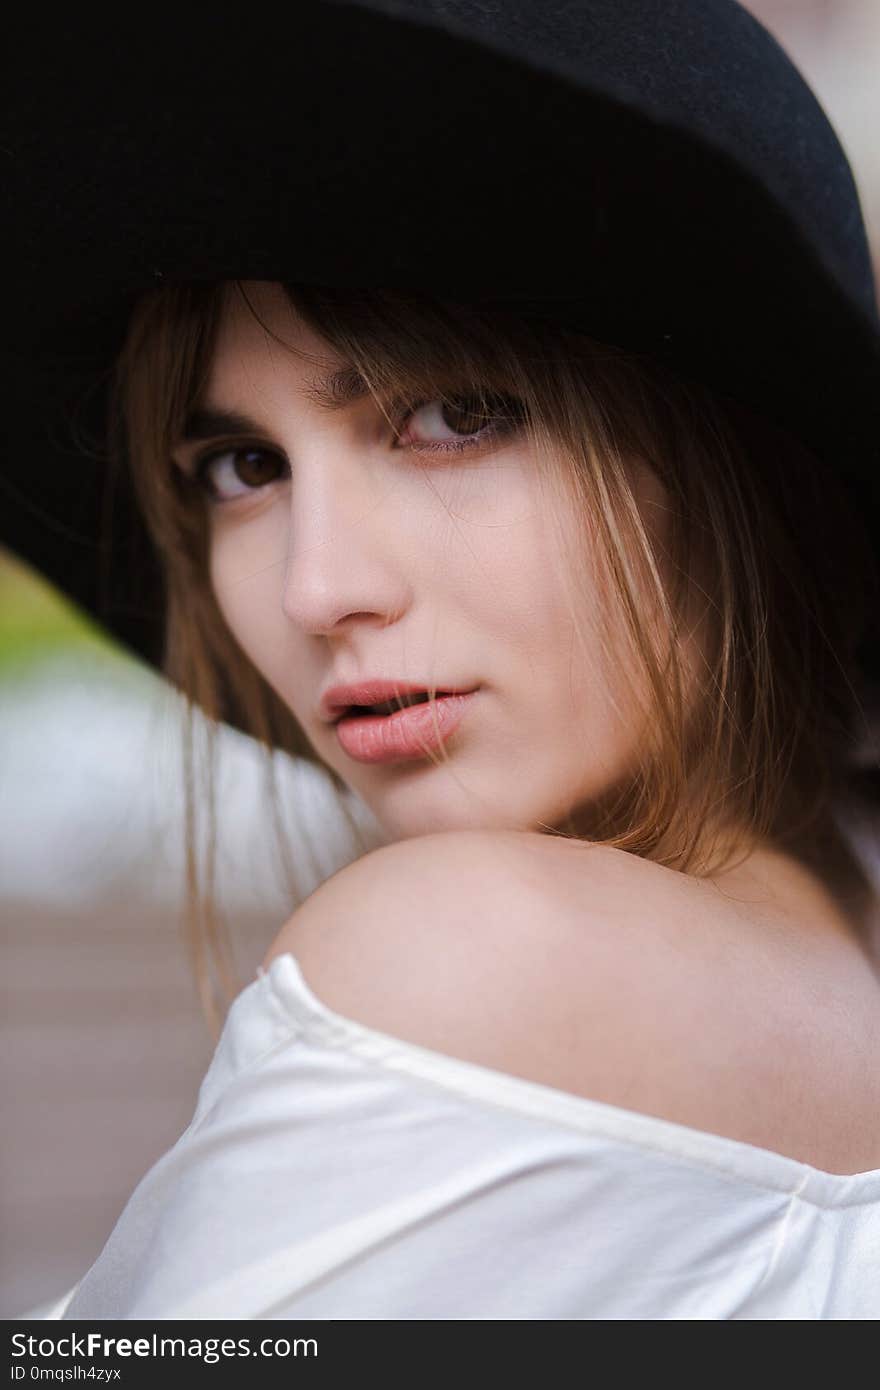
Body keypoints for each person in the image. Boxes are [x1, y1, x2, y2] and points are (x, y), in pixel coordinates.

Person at [4, 1, 880, 1319]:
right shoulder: (841, 923)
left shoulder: (459, 959)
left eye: (454, 415)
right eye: (242, 468)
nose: (318, 588)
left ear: (733, 460)